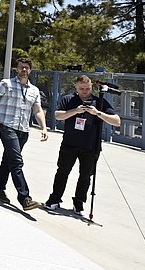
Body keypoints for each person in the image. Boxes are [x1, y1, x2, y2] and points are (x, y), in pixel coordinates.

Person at [44, 75, 120, 216]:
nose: (85, 91)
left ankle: (79, 202)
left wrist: (97, 113)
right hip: (69, 143)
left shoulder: (99, 101)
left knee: (85, 176)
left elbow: (117, 121)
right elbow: (58, 115)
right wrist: (76, 111)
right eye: (81, 88)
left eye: (88, 88)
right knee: (62, 172)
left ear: (91, 87)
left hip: (90, 146)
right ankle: (54, 198)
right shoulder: (69, 99)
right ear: (76, 87)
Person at [0, 57, 49, 211]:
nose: (24, 70)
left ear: (30, 70)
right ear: (16, 69)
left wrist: (44, 128)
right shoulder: (6, 84)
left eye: (26, 68)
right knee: (17, 162)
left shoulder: (34, 90)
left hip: (23, 131)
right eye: (21, 67)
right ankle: (25, 198)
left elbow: (38, 110)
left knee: (8, 159)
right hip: (7, 127)